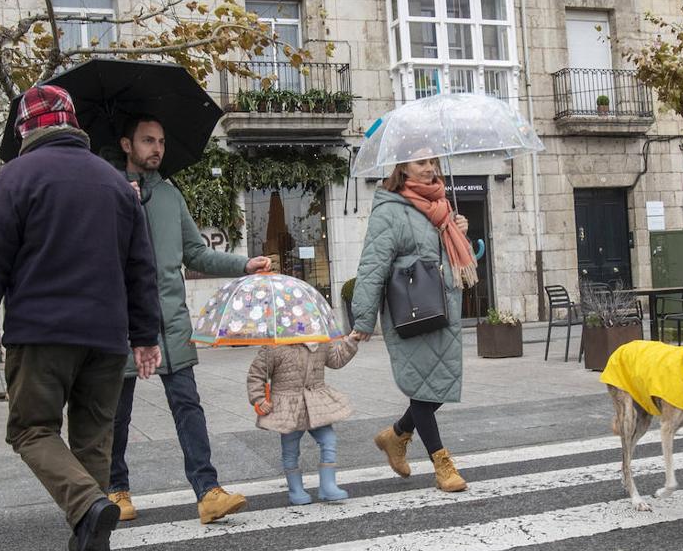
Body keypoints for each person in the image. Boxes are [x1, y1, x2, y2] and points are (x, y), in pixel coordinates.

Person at [0, 84, 161, 551]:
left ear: (26, 128)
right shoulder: (115, 184)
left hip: (41, 332)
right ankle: (87, 542)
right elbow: (141, 267)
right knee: (94, 439)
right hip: (107, 337)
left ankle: (88, 507)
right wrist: (145, 336)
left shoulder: (14, 179)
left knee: (31, 429)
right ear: (73, 122)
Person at [110, 117, 271, 525]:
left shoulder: (169, 195)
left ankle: (207, 491)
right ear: (127, 144)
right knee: (116, 413)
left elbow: (196, 254)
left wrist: (243, 264)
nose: (157, 148)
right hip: (122, 325)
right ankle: (115, 488)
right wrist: (120, 206)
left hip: (172, 324)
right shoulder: (106, 192)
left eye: (161, 141)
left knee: (188, 407)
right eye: (148, 140)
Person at [349, 155, 476, 493]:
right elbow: (373, 263)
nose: (429, 167)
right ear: (402, 167)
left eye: (432, 160)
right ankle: (441, 462)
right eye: (420, 161)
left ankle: (396, 436)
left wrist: (458, 231)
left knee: (439, 383)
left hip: (443, 307)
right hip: (411, 310)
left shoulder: (440, 206)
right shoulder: (390, 209)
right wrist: (363, 317)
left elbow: (454, 259)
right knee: (425, 386)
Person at [246, 335, 359, 505]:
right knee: (290, 449)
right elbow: (256, 374)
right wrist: (259, 399)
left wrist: (350, 342)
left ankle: (328, 485)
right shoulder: (274, 347)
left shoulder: (320, 341)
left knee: (329, 440)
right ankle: (296, 489)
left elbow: (335, 360)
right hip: (290, 408)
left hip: (316, 404)